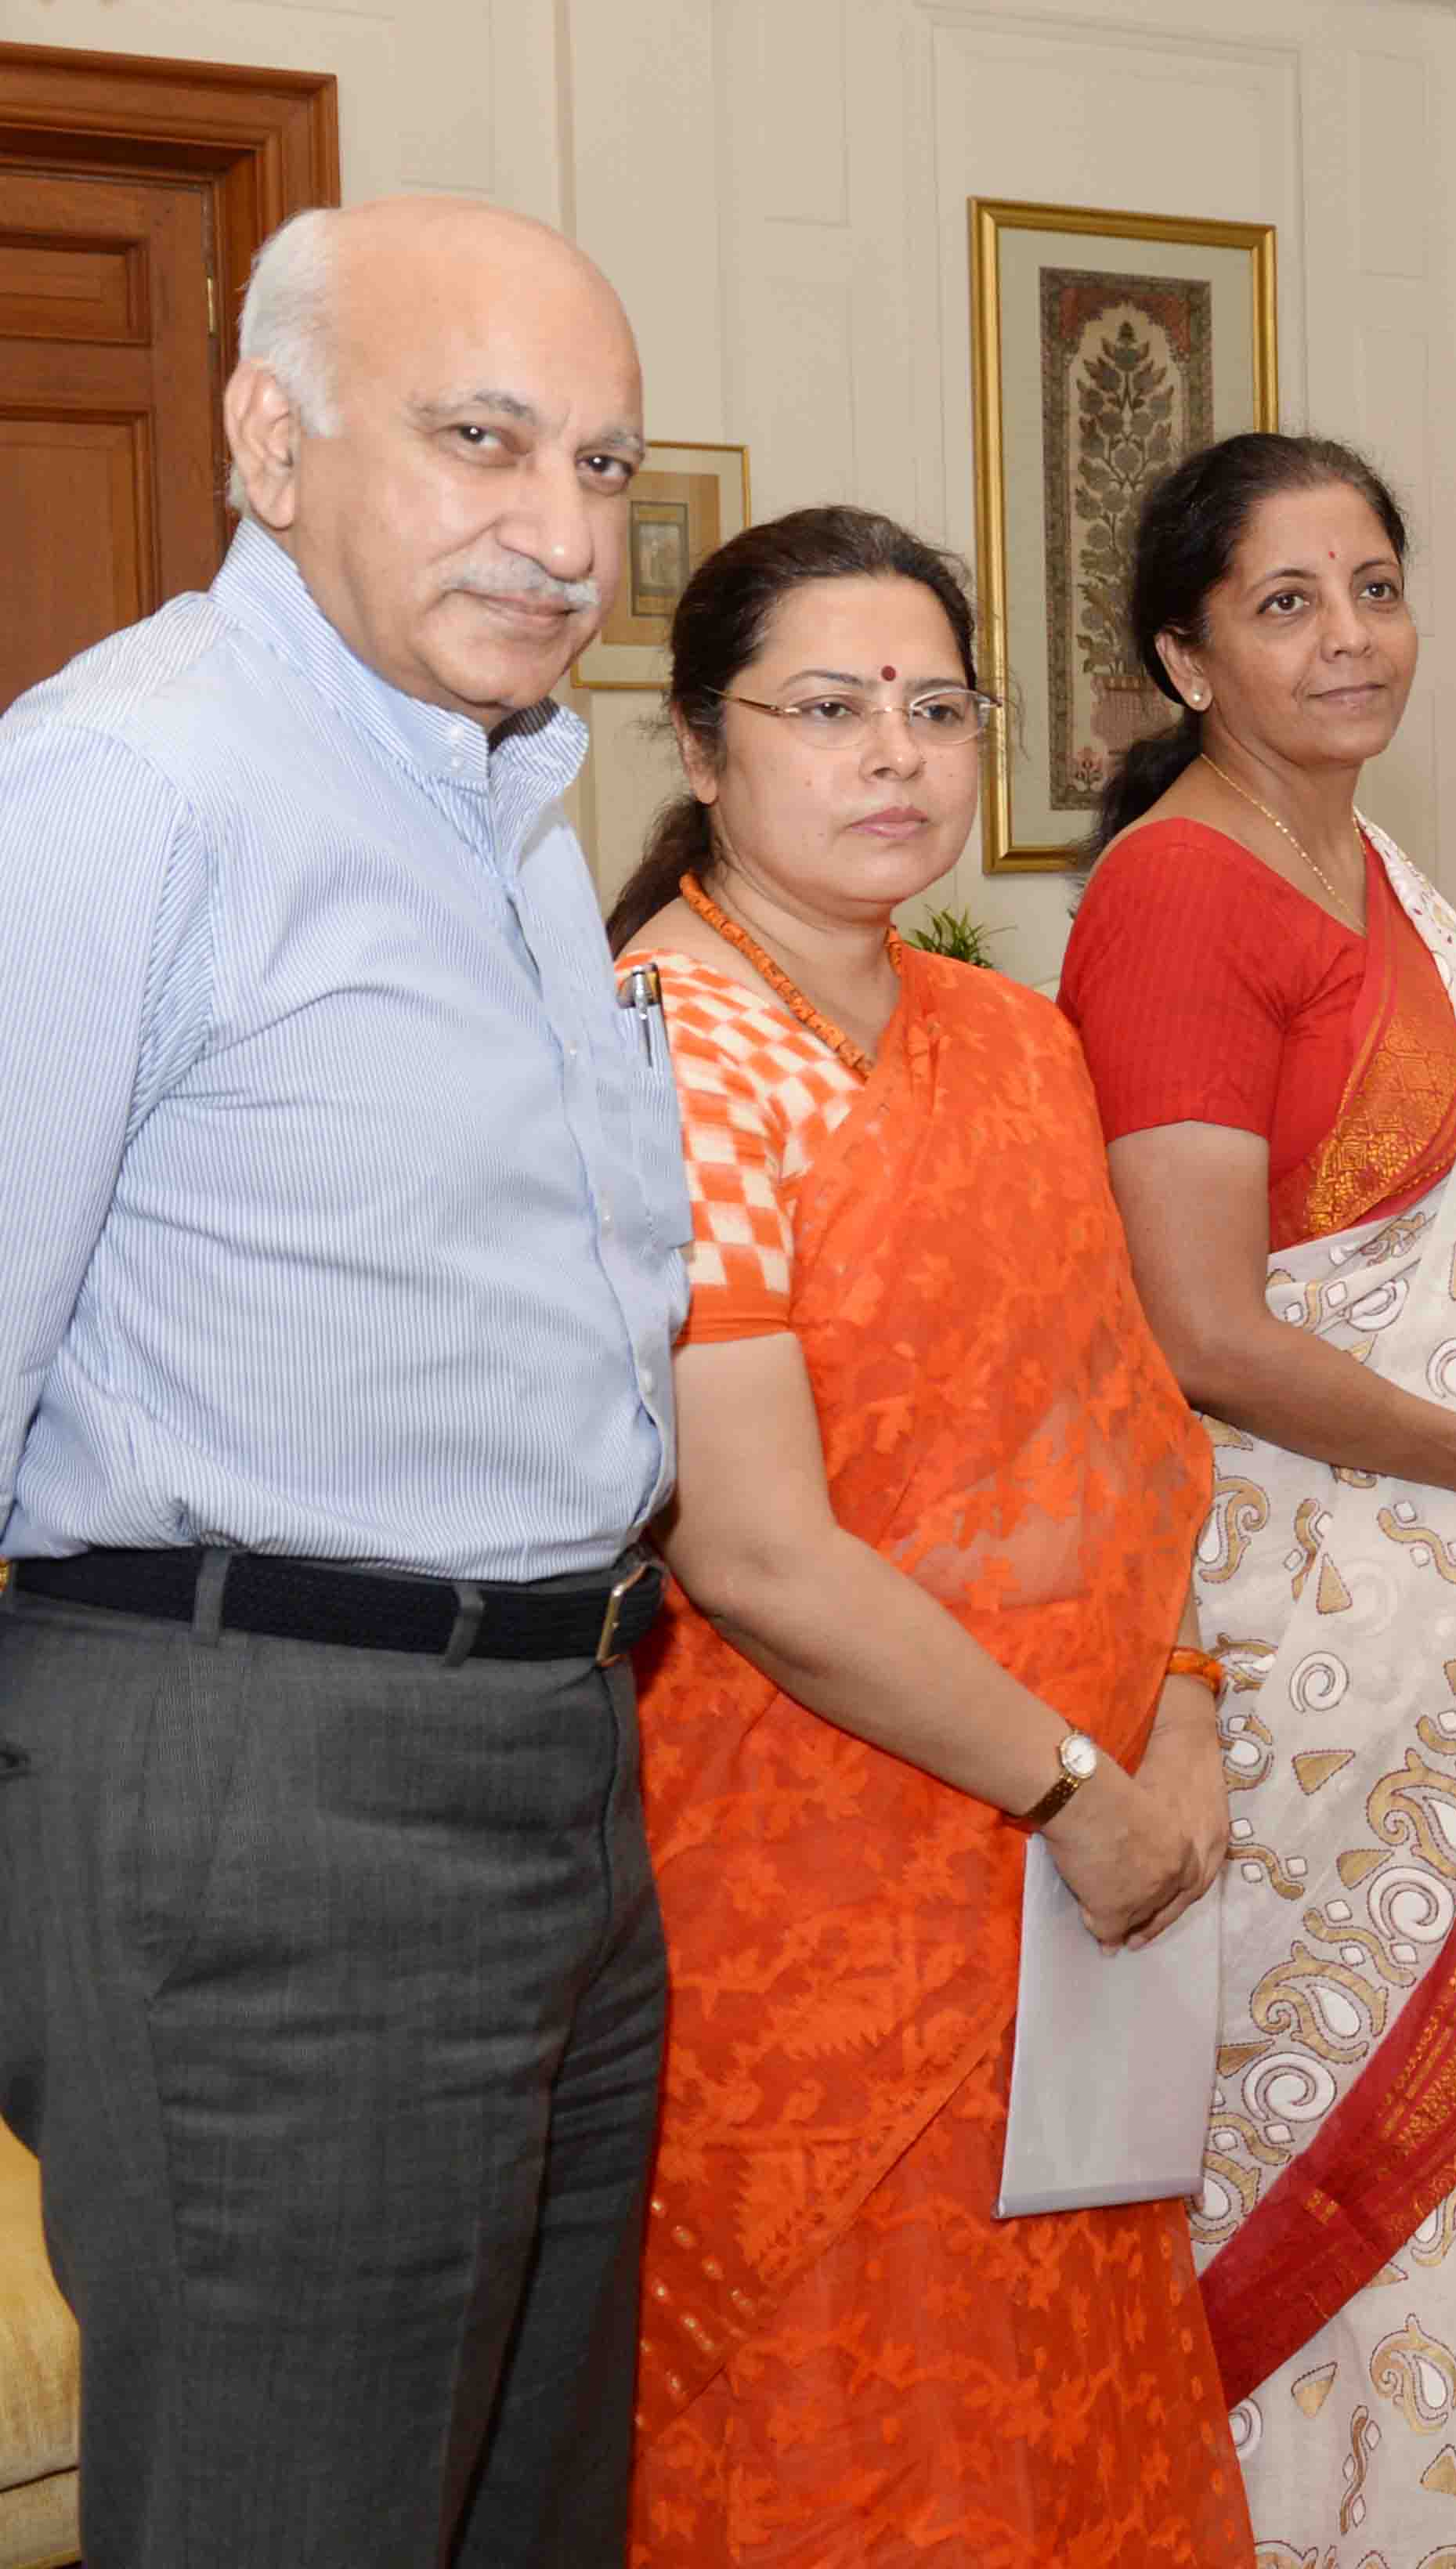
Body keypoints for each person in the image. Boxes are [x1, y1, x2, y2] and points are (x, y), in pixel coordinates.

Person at [0, 197, 685, 2567]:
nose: (563, 530)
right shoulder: (127, 787)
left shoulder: (494, 796)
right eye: (481, 441)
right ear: (267, 442)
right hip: (261, 1776)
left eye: (601, 466)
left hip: (564, 1765)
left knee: (521, 2515)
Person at [605, 506, 1252, 2563]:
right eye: (827, 709)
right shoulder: (656, 1054)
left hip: (1074, 1880)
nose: (893, 754)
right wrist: (1068, 1781)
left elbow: (1125, 1435)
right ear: (704, 750)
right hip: (791, 1885)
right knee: (826, 2412)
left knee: (1058, 2375)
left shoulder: (1009, 1038)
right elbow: (759, 1557)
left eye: (935, 707)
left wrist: (1180, 1710)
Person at [1057, 432, 1456, 2567]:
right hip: (1316, 1635)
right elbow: (1206, 1328)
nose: (1350, 637)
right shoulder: (1169, 903)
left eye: (1377, 585)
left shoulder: (1389, 870)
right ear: (1186, 655)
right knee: (1315, 2126)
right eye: (1287, 600)